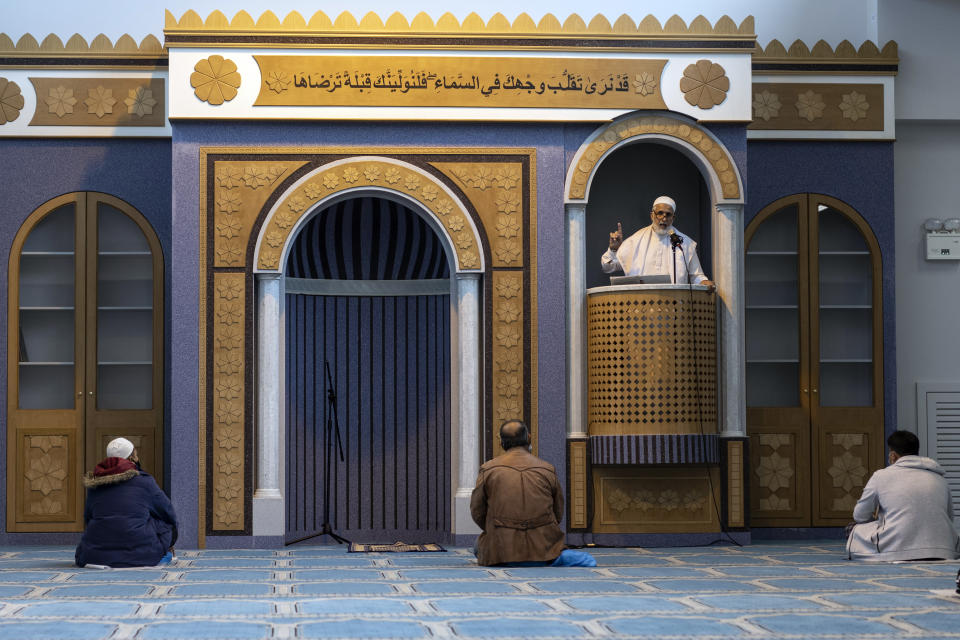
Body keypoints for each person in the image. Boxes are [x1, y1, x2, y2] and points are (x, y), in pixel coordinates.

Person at [471, 420, 595, 567]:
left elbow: (477, 512)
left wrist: (496, 529)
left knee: (477, 546)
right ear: (529, 438)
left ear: (501, 443)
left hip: (502, 552)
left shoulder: (488, 469)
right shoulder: (547, 469)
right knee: (584, 559)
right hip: (543, 552)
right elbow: (558, 513)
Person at [847, 430, 959, 562]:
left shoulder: (880, 476)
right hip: (943, 548)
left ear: (893, 456)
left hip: (897, 548)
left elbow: (860, 516)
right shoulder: (939, 477)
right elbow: (950, 517)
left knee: (854, 529)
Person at [75, 437, 178, 568]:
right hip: (141, 555)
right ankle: (165, 554)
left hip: (94, 555)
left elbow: (88, 518)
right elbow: (168, 513)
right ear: (131, 458)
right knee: (165, 523)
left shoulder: (95, 484)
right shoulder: (145, 482)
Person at [601, 195, 714, 288]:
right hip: (641, 306)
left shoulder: (685, 244)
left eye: (668, 215)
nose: (663, 218)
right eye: (660, 213)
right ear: (652, 215)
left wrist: (704, 282)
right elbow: (608, 267)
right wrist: (613, 249)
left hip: (674, 307)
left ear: (673, 218)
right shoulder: (636, 240)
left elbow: (697, 276)